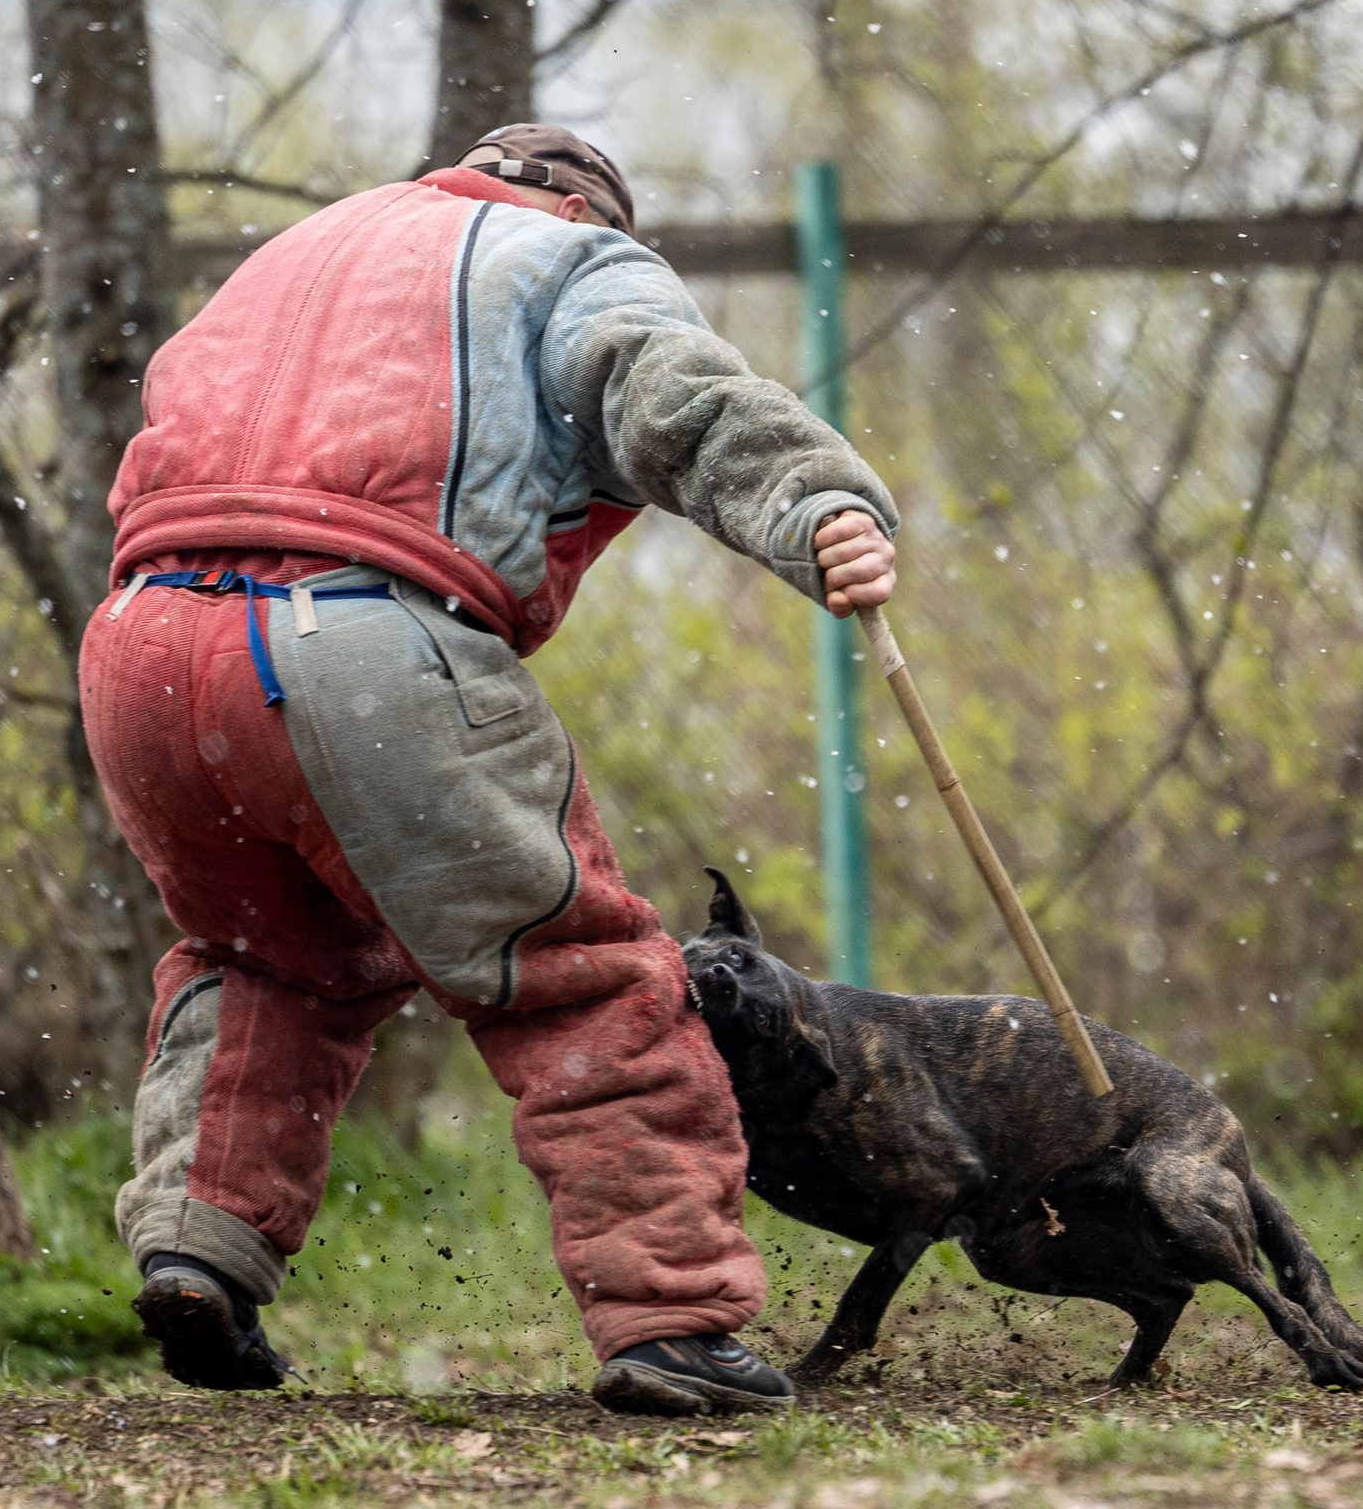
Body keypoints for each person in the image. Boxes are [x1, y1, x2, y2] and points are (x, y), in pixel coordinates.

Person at [78, 124, 898, 1416]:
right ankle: (668, 1317)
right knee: (580, 976)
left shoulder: (308, 244)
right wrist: (819, 506)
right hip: (361, 639)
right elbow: (671, 388)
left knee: (264, 957)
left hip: (141, 642)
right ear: (592, 209)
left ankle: (200, 1250)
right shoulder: (571, 258)